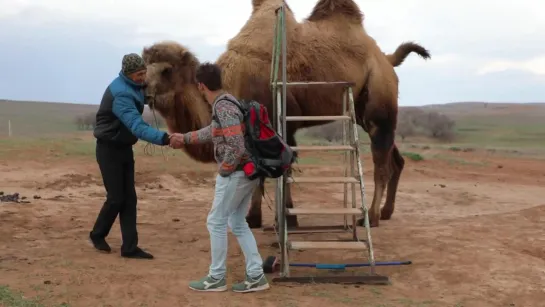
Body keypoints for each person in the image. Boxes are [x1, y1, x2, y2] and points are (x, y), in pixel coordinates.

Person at [169, 62, 270, 293]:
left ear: (201, 85)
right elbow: (213, 131)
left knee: (215, 221)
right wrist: (185, 138)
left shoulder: (223, 107)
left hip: (236, 174)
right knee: (236, 222)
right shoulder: (227, 103)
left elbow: (235, 144)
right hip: (247, 172)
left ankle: (216, 277)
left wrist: (225, 169)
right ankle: (256, 275)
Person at [90, 53, 179, 259]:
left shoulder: (133, 85)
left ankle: (129, 248)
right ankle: (97, 234)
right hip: (108, 149)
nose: (143, 77)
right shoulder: (121, 94)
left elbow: (145, 93)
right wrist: (165, 138)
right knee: (116, 198)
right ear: (129, 74)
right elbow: (137, 126)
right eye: (139, 74)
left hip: (123, 148)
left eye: (143, 73)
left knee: (129, 198)